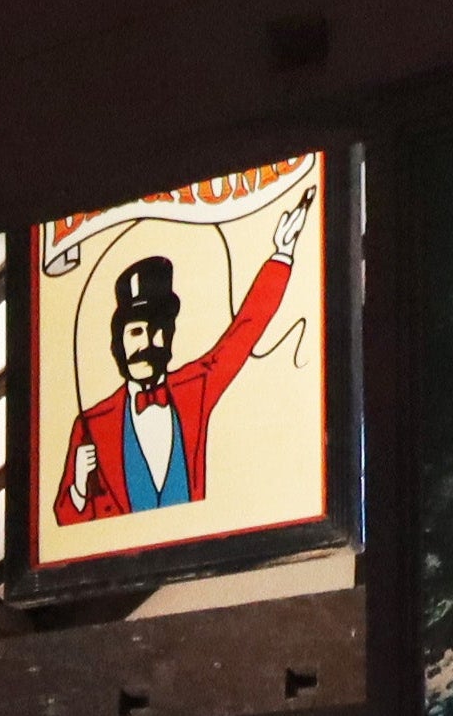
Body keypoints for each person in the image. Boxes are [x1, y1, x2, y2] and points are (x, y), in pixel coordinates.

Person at [50, 198, 307, 527]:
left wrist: (282, 255)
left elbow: (243, 335)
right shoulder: (91, 424)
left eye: (158, 331)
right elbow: (64, 520)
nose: (147, 344)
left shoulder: (194, 388)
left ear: (169, 338)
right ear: (118, 342)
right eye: (136, 332)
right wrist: (78, 488)